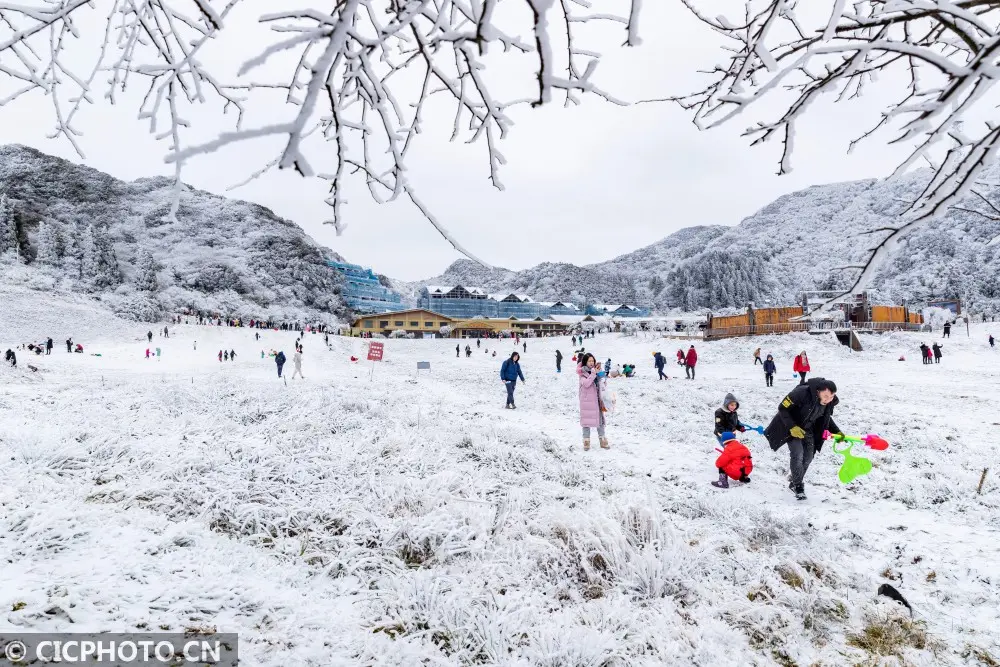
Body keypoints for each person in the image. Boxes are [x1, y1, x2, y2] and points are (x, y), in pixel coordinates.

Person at [764, 378, 842, 500]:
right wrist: (792, 427)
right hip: (790, 427)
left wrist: (837, 432)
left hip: (808, 430)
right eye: (826, 396)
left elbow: (826, 417)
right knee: (798, 454)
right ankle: (798, 486)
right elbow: (782, 408)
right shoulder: (801, 393)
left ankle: (795, 479)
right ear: (818, 391)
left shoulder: (829, 402)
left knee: (808, 457)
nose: (828, 399)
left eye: (831, 396)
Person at [577, 353, 609, 450]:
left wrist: (602, 377)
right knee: (586, 422)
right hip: (587, 402)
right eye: (589, 361)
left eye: (593, 361)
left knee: (600, 420)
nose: (591, 363)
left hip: (597, 400)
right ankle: (586, 442)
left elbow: (601, 383)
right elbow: (586, 384)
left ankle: (602, 440)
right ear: (585, 362)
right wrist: (593, 374)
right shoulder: (582, 373)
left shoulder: (595, 370)